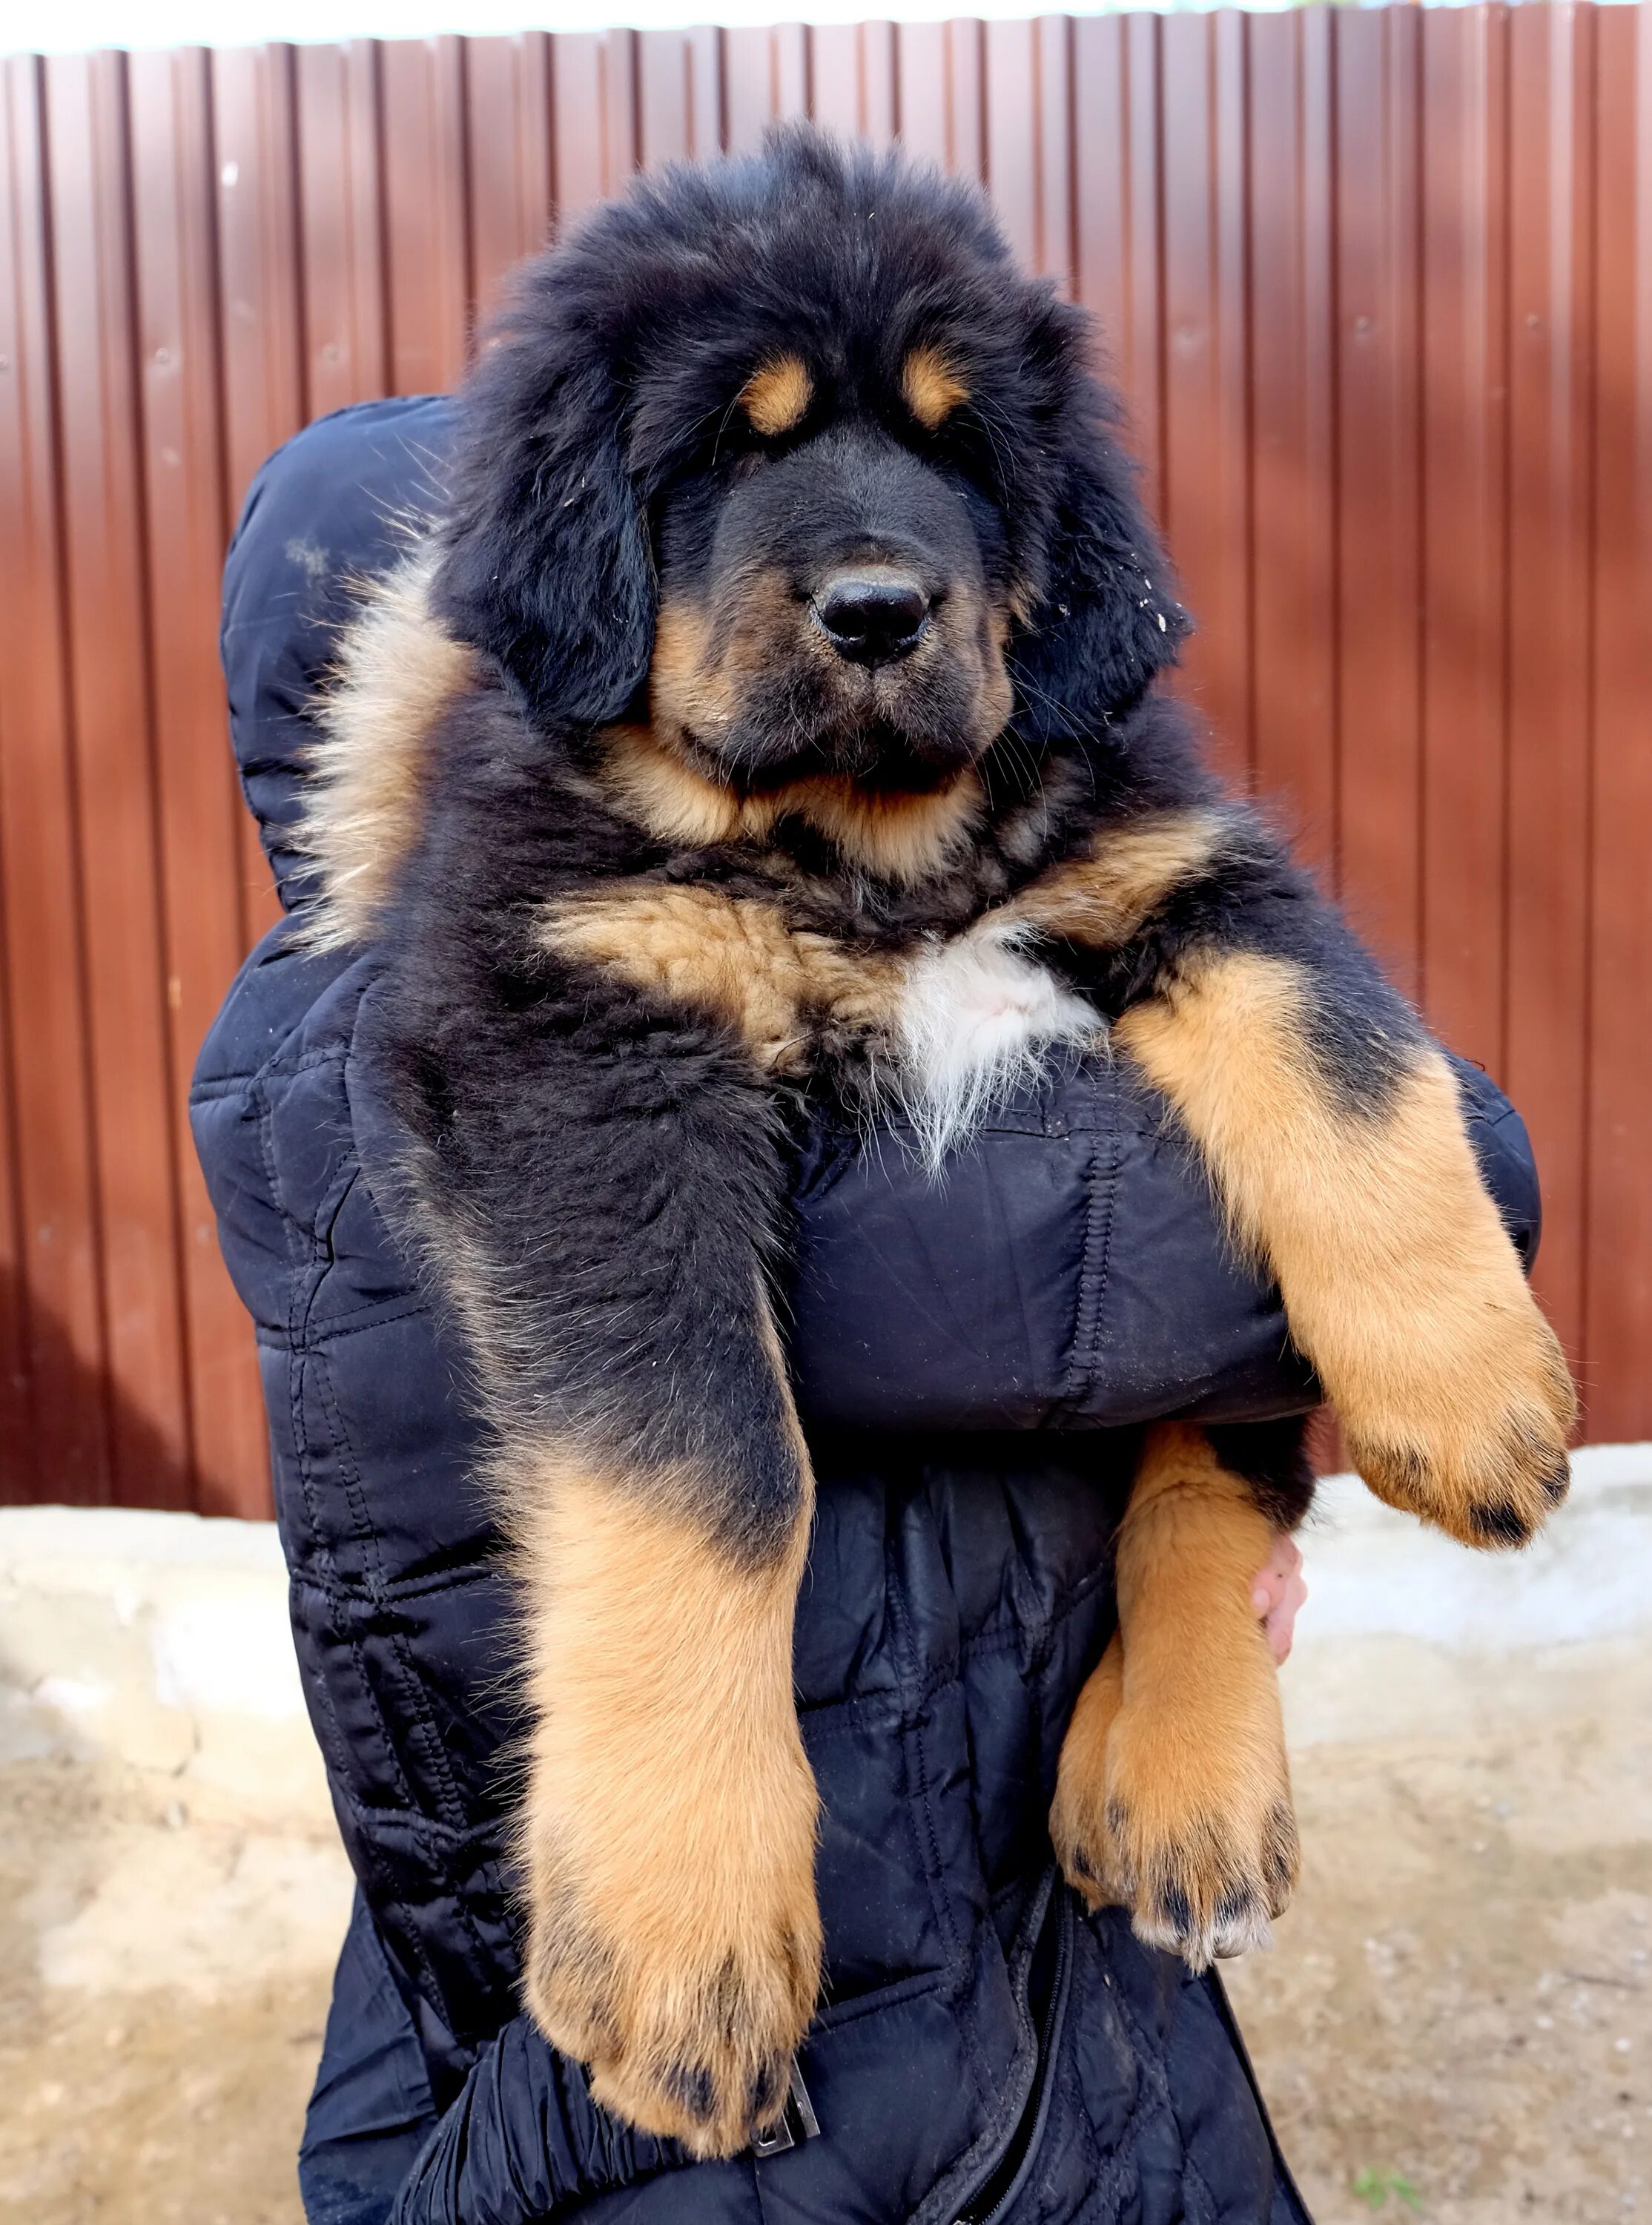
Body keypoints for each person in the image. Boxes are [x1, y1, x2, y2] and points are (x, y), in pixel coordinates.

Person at [194, 395, 1542, 2225]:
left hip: (1004, 1930)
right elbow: (1054, 1263)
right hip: (707, 2058)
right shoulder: (366, 1054)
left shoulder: (807, 932)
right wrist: (1353, 1194)